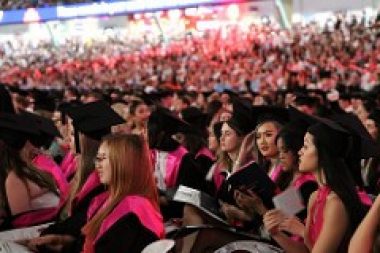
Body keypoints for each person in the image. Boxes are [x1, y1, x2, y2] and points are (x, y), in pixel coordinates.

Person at [26, 134, 164, 253]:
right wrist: (61, 240)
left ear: (123, 164)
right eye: (97, 158)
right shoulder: (109, 199)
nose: (97, 164)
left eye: (103, 158)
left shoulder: (132, 213)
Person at [263, 117, 368, 253]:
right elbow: (306, 250)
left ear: (323, 153)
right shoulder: (315, 196)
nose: (300, 151)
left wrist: (301, 230)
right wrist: (276, 233)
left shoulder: (335, 202)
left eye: (306, 146)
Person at [0, 113, 59, 229]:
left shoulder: (31, 168)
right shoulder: (15, 178)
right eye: (30, 141)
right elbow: (24, 222)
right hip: (40, 230)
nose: (35, 146)